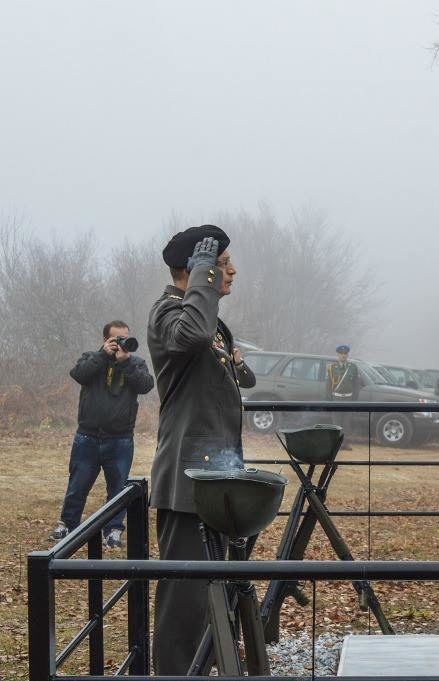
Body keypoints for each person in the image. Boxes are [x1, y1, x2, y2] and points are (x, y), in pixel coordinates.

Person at [147, 225, 255, 674]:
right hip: (188, 479)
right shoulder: (169, 314)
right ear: (194, 269)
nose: (230, 272)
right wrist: (205, 276)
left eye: (225, 264)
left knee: (215, 590)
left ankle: (206, 667)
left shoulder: (204, 317)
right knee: (185, 598)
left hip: (215, 475)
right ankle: (176, 673)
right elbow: (188, 337)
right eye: (222, 263)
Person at [49, 321, 154, 548]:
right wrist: (102, 355)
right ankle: (68, 524)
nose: (121, 344)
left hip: (120, 439)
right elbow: (78, 374)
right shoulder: (91, 358)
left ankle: (113, 531)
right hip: (87, 436)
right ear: (105, 340)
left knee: (118, 489)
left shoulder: (136, 363)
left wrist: (125, 363)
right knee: (78, 484)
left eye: (125, 338)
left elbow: (146, 385)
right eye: (116, 340)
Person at [327, 344, 360, 450]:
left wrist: (354, 399)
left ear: (347, 355)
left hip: (348, 398)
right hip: (336, 398)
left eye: (345, 354)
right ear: (337, 354)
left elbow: (356, 384)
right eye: (341, 354)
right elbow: (328, 385)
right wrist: (328, 400)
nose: (343, 356)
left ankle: (345, 443)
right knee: (337, 422)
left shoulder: (353, 367)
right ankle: (337, 444)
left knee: (347, 422)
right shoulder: (332, 368)